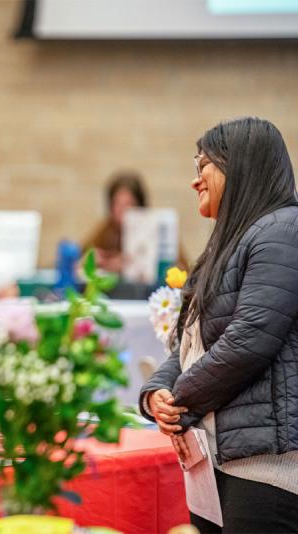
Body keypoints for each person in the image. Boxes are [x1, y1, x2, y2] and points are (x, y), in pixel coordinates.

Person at [139, 117, 298, 532]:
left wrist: (179, 401)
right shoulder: (227, 243)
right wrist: (155, 393)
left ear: (240, 165)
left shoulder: (284, 229)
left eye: (203, 165)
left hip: (267, 468)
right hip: (218, 464)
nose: (195, 181)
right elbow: (188, 346)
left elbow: (249, 340)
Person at [82, 171, 148, 273]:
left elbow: (178, 269)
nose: (122, 210)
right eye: (117, 204)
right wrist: (88, 262)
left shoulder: (155, 230)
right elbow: (80, 257)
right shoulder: (106, 230)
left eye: (128, 204)